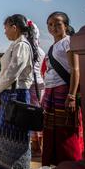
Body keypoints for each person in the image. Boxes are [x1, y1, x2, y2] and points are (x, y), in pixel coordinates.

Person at [0, 14, 38, 169]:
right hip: (9, 94)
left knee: (17, 137)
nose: (5, 32)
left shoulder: (23, 46)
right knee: (5, 135)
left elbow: (12, 73)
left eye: (6, 28)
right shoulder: (16, 45)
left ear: (14, 27)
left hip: (16, 95)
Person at [42, 12, 84, 166]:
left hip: (63, 92)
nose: (53, 27)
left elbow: (75, 70)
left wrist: (72, 96)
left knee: (65, 134)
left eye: (58, 24)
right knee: (50, 133)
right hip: (51, 92)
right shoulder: (53, 46)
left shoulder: (69, 42)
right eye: (50, 24)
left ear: (66, 26)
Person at [30, 22, 46, 157]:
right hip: (41, 85)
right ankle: (39, 146)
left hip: (30, 86)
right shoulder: (41, 51)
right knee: (39, 114)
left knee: (31, 116)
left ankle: (35, 147)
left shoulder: (27, 50)